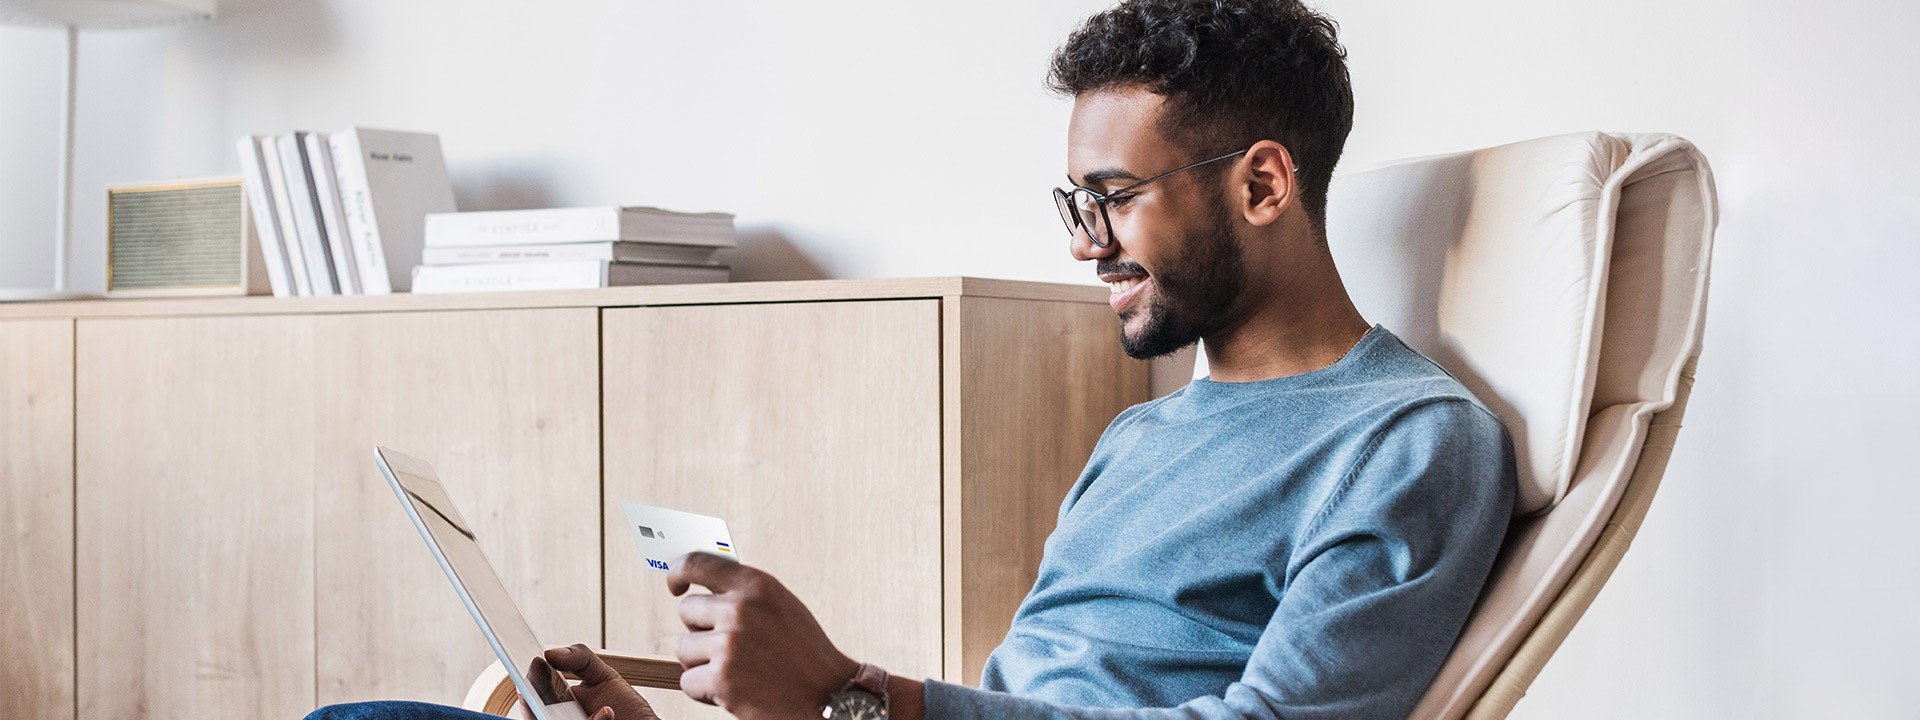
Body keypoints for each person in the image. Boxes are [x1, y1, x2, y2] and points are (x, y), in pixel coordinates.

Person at [307, 1, 1515, 718]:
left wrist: (850, 695)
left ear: (1262, 183)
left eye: (1114, 198)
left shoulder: (1408, 443)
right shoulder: (1145, 434)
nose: (1090, 244)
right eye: (1073, 202)